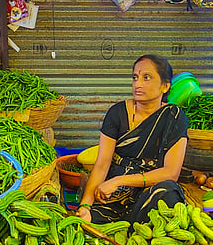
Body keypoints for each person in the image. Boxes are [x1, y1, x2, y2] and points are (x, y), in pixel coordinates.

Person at [78, 55, 188, 224]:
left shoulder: (174, 117)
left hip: (149, 189)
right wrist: (85, 206)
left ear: (165, 86)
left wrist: (119, 180)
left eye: (146, 77)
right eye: (135, 77)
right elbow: (102, 164)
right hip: (114, 194)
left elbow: (171, 173)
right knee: (90, 219)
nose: (138, 84)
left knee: (168, 193)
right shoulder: (117, 113)